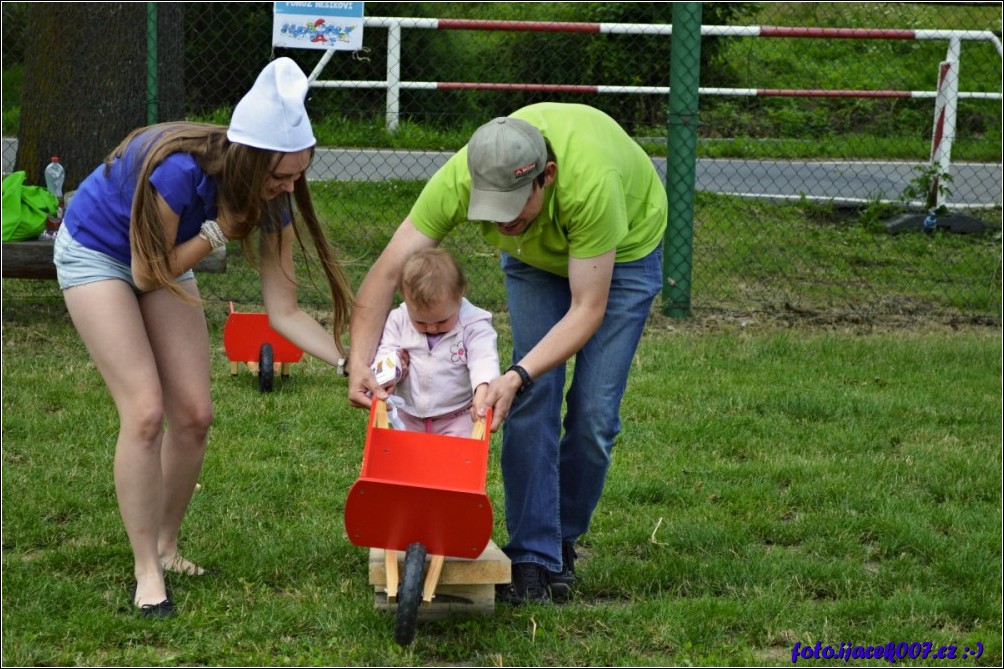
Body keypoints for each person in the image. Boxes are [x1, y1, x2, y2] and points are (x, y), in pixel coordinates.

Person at [53, 58, 353, 617]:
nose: (288, 190)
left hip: (165, 258)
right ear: (248, 159)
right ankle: (146, 570)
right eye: (279, 178)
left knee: (193, 414)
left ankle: (167, 547)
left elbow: (283, 311)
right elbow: (147, 275)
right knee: (144, 411)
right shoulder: (178, 172)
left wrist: (346, 362)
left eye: (296, 177)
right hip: (98, 251)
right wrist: (217, 231)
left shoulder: (274, 196)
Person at [347, 102, 667, 605]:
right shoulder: (460, 177)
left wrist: (515, 372)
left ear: (548, 177)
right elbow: (388, 271)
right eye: (493, 208)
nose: (505, 221)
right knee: (532, 403)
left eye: (515, 205)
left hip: (622, 251)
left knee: (593, 416)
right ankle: (533, 556)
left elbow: (587, 308)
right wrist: (360, 363)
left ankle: (561, 536)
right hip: (535, 261)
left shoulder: (592, 185)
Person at [374, 247, 499, 437]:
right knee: (407, 463)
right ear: (405, 299)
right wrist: (390, 370)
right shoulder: (399, 320)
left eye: (441, 321)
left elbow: (484, 359)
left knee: (455, 463)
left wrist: (483, 391)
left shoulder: (473, 325)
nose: (432, 328)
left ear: (459, 295)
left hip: (457, 416)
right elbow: (386, 350)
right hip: (408, 415)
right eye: (420, 322)